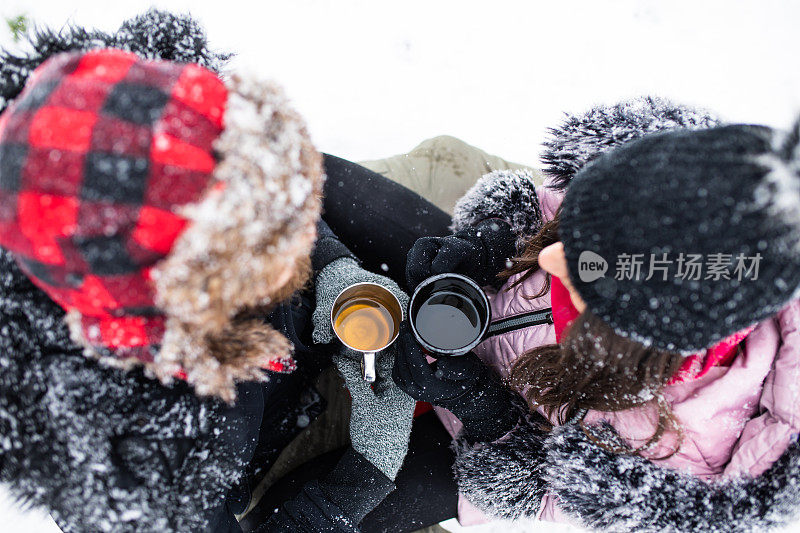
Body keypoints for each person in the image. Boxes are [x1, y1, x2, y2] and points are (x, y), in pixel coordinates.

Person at [0, 10, 415, 532]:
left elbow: (277, 200)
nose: (301, 242)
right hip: (269, 457)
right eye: (268, 256)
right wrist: (363, 476)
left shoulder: (141, 123)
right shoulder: (139, 481)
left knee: (448, 161)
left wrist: (333, 267)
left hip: (296, 346)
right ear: (183, 299)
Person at [396, 97, 800, 531]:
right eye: (574, 240)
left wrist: (485, 415)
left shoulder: (694, 455)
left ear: (636, 343)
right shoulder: (678, 198)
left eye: (584, 272)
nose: (551, 258)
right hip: (470, 287)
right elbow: (560, 204)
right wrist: (496, 233)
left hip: (464, 440)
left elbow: (550, 493)